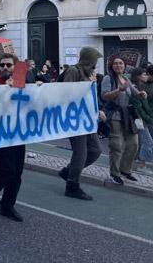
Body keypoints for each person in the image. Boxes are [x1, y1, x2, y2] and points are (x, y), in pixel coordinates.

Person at [0, 53, 35, 222]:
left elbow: (31, 102)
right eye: (2, 65)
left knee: (17, 172)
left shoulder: (21, 83)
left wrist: (38, 88)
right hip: (1, 133)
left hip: (18, 132)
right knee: (8, 169)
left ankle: (7, 206)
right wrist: (5, 91)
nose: (4, 68)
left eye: (8, 65)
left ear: (15, 67)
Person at [58, 47, 104, 200]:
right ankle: (72, 185)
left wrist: (98, 109)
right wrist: (88, 86)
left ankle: (68, 172)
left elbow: (91, 98)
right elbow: (66, 93)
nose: (96, 63)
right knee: (80, 153)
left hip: (88, 119)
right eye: (94, 60)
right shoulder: (73, 71)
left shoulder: (89, 74)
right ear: (89, 59)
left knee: (96, 150)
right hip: (75, 119)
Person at [101, 57, 145, 184]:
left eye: (121, 63)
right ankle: (114, 174)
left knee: (134, 143)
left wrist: (141, 93)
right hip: (114, 115)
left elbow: (134, 92)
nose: (118, 65)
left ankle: (126, 170)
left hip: (128, 115)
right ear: (111, 66)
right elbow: (105, 96)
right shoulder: (107, 78)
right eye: (115, 63)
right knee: (116, 146)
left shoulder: (126, 79)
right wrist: (119, 90)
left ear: (124, 66)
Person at [129, 68, 153, 173]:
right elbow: (139, 109)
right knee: (147, 141)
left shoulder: (142, 88)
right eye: (144, 74)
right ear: (138, 76)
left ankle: (140, 163)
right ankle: (141, 166)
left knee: (143, 142)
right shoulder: (134, 89)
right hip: (137, 120)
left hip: (141, 119)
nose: (146, 76)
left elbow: (145, 107)